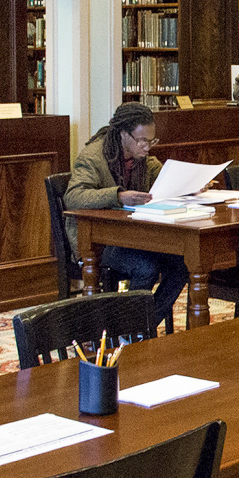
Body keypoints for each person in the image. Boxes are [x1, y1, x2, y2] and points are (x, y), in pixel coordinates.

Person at [64, 102, 189, 332]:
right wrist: (119, 196)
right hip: (99, 240)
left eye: (152, 141)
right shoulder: (94, 156)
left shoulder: (142, 158)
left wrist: (188, 186)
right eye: (142, 141)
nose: (147, 147)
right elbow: (73, 196)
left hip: (133, 236)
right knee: (146, 268)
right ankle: (128, 330)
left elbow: (163, 178)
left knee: (183, 264)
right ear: (123, 134)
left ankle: (140, 327)